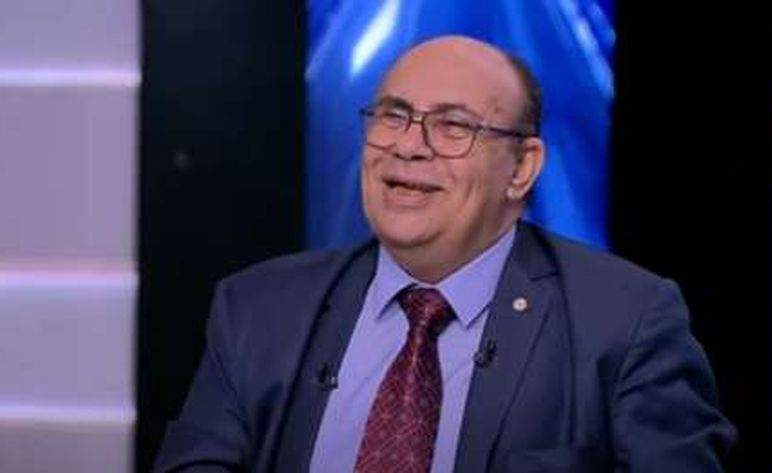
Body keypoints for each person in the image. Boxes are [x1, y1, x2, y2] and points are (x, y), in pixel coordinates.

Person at [154, 36, 736, 472]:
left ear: (522, 168)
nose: (409, 146)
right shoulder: (257, 309)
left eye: (453, 126)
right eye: (393, 115)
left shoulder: (626, 321)